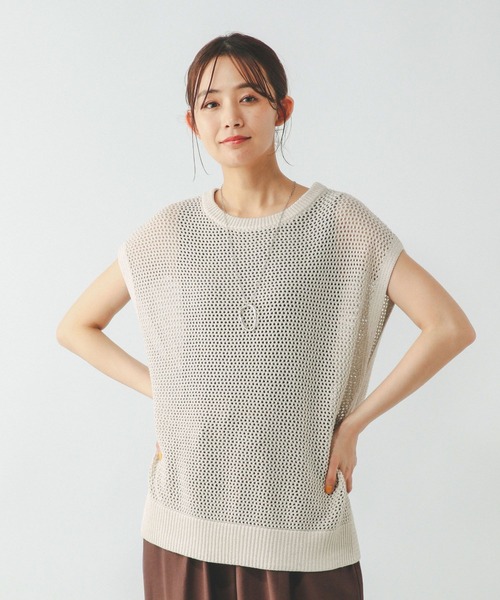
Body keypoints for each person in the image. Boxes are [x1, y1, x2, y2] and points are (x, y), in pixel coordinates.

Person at [56, 32, 476, 600]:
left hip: (301, 528)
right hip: (185, 524)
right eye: (211, 103)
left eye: (249, 97)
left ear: (283, 109)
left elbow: (448, 327)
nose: (231, 116)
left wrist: (353, 425)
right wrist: (167, 393)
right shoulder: (171, 232)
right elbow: (76, 327)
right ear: (193, 123)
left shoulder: (340, 223)